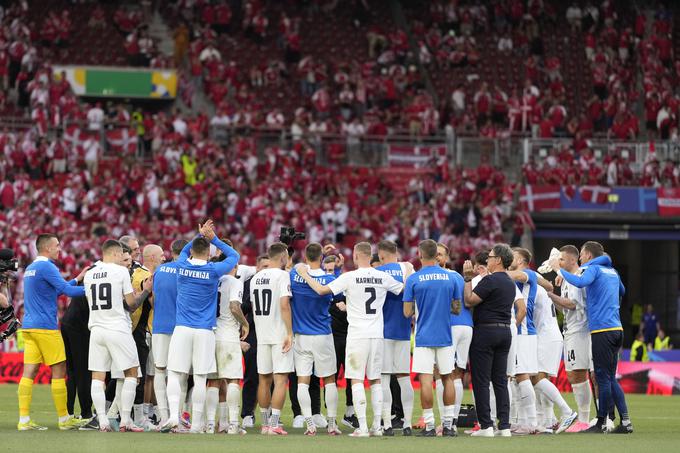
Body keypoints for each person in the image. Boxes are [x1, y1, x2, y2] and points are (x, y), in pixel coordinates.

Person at [296, 242, 404, 437]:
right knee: (376, 380)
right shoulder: (382, 276)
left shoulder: (349, 277)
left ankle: (362, 427)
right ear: (370, 256)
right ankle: (377, 427)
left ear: (355, 255)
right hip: (377, 335)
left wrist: (304, 275)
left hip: (357, 335)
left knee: (356, 380)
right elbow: (403, 289)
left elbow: (321, 290)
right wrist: (409, 269)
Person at [161, 220, 240, 433]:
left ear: (191, 251)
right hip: (205, 330)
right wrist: (212, 237)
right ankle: (196, 424)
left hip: (183, 328)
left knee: (176, 374)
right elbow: (234, 257)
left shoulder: (182, 266)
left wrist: (198, 237)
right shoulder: (214, 270)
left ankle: (173, 417)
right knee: (200, 377)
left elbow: (184, 253)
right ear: (208, 253)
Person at [549, 241, 633, 434]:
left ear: (587, 255)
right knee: (609, 378)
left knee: (601, 378)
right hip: (616, 327)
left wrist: (558, 271)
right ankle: (625, 422)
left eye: (582, 255)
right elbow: (622, 291)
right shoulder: (612, 271)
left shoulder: (593, 270)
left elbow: (580, 282)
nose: (581, 258)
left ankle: (602, 422)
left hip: (600, 329)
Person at [18, 233, 88, 431]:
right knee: (59, 369)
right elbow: (69, 292)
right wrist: (95, 286)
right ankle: (64, 419)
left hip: (29, 327)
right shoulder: (47, 266)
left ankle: (23, 420)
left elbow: (54, 292)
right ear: (47, 248)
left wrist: (77, 279)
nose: (59, 249)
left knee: (29, 372)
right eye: (57, 245)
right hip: (45, 328)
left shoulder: (31, 268)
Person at [85, 239, 152, 432]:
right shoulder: (121, 272)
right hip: (117, 327)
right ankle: (125, 420)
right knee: (132, 374)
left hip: (97, 329)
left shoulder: (89, 274)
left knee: (97, 377)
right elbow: (131, 304)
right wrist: (145, 291)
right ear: (115, 254)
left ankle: (103, 422)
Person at [403, 239, 458, 437]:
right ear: (437, 255)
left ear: (420, 254)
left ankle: (429, 425)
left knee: (426, 380)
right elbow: (457, 308)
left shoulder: (414, 279)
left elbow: (407, 312)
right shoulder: (451, 277)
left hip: (424, 335)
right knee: (448, 377)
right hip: (445, 334)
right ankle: (449, 425)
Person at [462, 243, 516, 438]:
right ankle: (505, 425)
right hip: (505, 332)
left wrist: (468, 278)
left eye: (491, 257)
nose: (488, 260)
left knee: (481, 381)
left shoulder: (490, 280)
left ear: (499, 260)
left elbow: (469, 300)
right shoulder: (510, 282)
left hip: (485, 332)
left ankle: (486, 425)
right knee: (500, 381)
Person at [289, 242, 342, 436]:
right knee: (329, 380)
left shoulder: (294, 276)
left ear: (305, 256)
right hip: (322, 335)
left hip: (301, 336)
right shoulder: (329, 278)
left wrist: (300, 268)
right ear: (321, 258)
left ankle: (310, 424)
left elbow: (291, 268)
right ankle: (331, 424)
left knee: (302, 381)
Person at [506, 247, 553, 435]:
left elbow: (517, 277)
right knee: (516, 378)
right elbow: (548, 286)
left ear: (522, 260)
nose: (510, 258)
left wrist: (495, 272)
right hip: (523, 331)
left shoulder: (524, 273)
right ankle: (523, 421)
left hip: (523, 330)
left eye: (513, 256)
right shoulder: (529, 274)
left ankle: (532, 422)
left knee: (522, 375)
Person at [546, 245, 593, 432]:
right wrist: (553, 299)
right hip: (571, 330)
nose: (559, 263)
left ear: (573, 260)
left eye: (562, 260)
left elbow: (573, 304)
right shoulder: (566, 280)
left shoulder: (577, 277)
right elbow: (565, 308)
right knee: (575, 374)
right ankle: (585, 419)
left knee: (578, 374)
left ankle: (584, 419)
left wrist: (549, 295)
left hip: (580, 331)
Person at [205, 241, 249, 435]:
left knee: (213, 382)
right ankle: (232, 424)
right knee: (233, 380)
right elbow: (233, 306)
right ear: (234, 265)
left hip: (211, 334)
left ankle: (209, 424)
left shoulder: (212, 280)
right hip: (228, 334)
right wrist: (245, 323)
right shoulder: (235, 282)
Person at [250, 242, 294, 436]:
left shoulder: (255, 277)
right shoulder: (283, 276)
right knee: (281, 379)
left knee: (264, 380)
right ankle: (274, 424)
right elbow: (284, 304)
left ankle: (265, 423)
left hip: (262, 334)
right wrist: (290, 333)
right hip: (279, 334)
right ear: (283, 257)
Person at [375, 240, 414, 436]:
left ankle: (387, 425)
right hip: (403, 331)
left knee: (383, 379)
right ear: (396, 252)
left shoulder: (379, 273)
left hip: (382, 332)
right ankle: (407, 424)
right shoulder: (408, 269)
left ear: (381, 256)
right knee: (404, 378)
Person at [531, 284, 577, 433]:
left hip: (546, 337)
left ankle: (567, 411)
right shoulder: (539, 287)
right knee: (542, 380)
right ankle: (549, 419)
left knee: (536, 378)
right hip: (550, 336)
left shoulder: (531, 286)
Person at [152, 239, 188, 427]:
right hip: (181, 326)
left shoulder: (158, 270)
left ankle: (164, 417)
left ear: (172, 252)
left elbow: (154, 298)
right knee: (179, 373)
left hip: (159, 326)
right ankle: (178, 415)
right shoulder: (188, 271)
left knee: (160, 370)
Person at [130, 244, 165, 429]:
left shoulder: (139, 274)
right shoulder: (145, 276)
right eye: (161, 255)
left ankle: (147, 414)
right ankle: (143, 416)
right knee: (148, 376)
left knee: (150, 375)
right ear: (152, 257)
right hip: (145, 329)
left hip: (145, 329)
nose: (164, 258)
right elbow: (155, 303)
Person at [436, 242, 470, 432]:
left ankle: (446, 422)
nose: (439, 257)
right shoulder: (458, 277)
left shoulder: (437, 276)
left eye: (441, 254)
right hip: (466, 326)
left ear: (447, 258)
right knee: (457, 373)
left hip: (450, 326)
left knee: (442, 373)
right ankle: (453, 421)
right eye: (437, 254)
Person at [324, 254, 359, 429]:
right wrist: (338, 307)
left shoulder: (347, 285)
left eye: (333, 270)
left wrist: (346, 306)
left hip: (349, 336)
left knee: (352, 375)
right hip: (331, 338)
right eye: (327, 270)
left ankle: (350, 413)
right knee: (330, 376)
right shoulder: (324, 288)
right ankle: (329, 415)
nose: (331, 273)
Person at [240, 254, 270, 428]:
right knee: (251, 374)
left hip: (273, 332)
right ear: (257, 268)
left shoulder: (278, 281)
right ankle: (247, 413)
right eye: (263, 266)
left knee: (272, 375)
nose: (266, 270)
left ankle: (273, 414)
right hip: (253, 333)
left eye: (269, 266)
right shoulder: (248, 284)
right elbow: (240, 308)